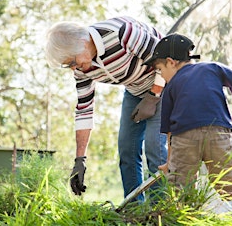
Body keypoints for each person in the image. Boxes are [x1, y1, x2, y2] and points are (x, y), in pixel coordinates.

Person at [143, 33, 232, 220]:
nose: (161, 75)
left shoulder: (170, 88)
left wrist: (170, 162)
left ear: (170, 62)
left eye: (159, 70)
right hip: (218, 134)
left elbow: (170, 132)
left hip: (183, 139)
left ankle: (186, 222)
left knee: (182, 188)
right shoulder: (213, 68)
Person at [45, 16, 168, 203]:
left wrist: (153, 96)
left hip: (165, 85)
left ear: (82, 42)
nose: (74, 68)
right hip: (134, 90)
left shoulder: (121, 33)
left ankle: (161, 210)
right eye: (68, 65)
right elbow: (84, 110)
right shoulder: (82, 69)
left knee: (154, 146)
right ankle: (134, 211)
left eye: (72, 61)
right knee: (127, 148)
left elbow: (165, 59)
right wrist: (80, 160)